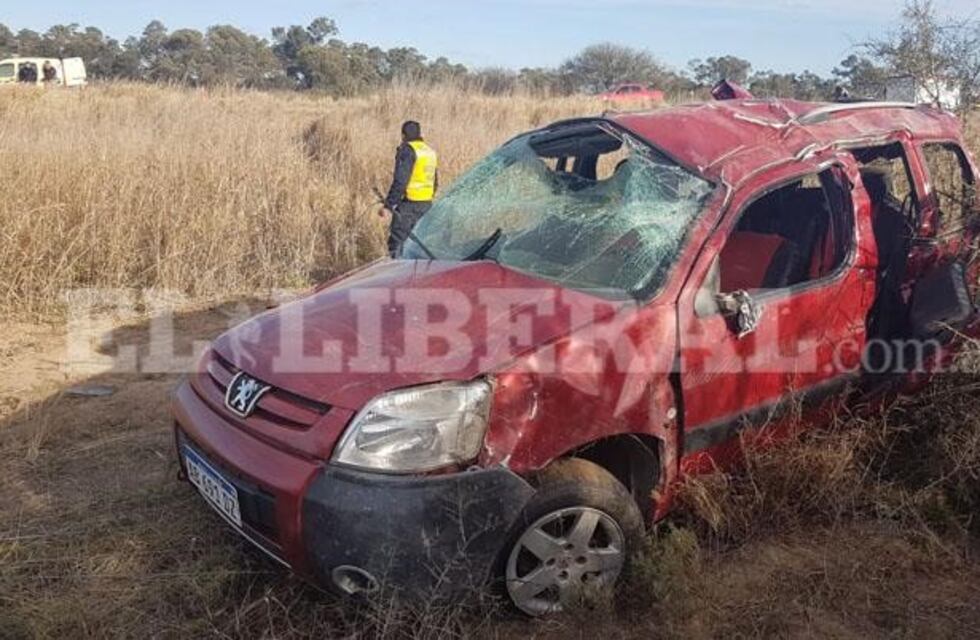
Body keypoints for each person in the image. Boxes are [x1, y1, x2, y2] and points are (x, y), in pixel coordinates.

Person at [379, 120, 438, 257]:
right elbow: (435, 182)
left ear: (403, 135)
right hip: (427, 206)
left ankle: (400, 277)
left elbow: (400, 181)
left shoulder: (408, 150)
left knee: (397, 246)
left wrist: (388, 205)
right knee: (419, 248)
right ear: (419, 134)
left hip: (409, 206)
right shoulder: (429, 152)